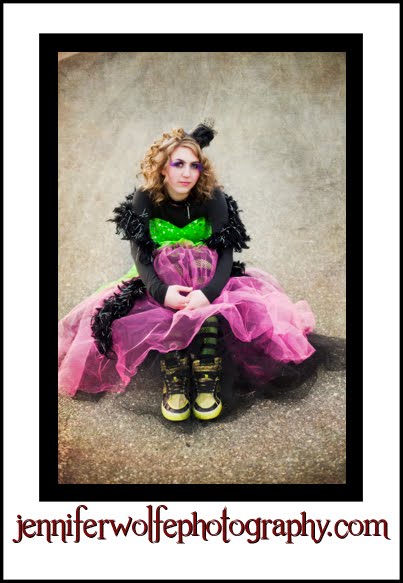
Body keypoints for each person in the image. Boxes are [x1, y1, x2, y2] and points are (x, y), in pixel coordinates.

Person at [58, 121, 320, 422]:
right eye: (178, 164)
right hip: (158, 277)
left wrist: (208, 294)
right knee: (166, 268)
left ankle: (207, 363)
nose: (187, 173)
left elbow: (225, 253)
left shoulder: (213, 197)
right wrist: (161, 292)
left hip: (207, 274)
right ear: (162, 169)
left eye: (194, 166)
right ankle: (175, 366)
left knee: (201, 272)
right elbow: (141, 253)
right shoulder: (144, 197)